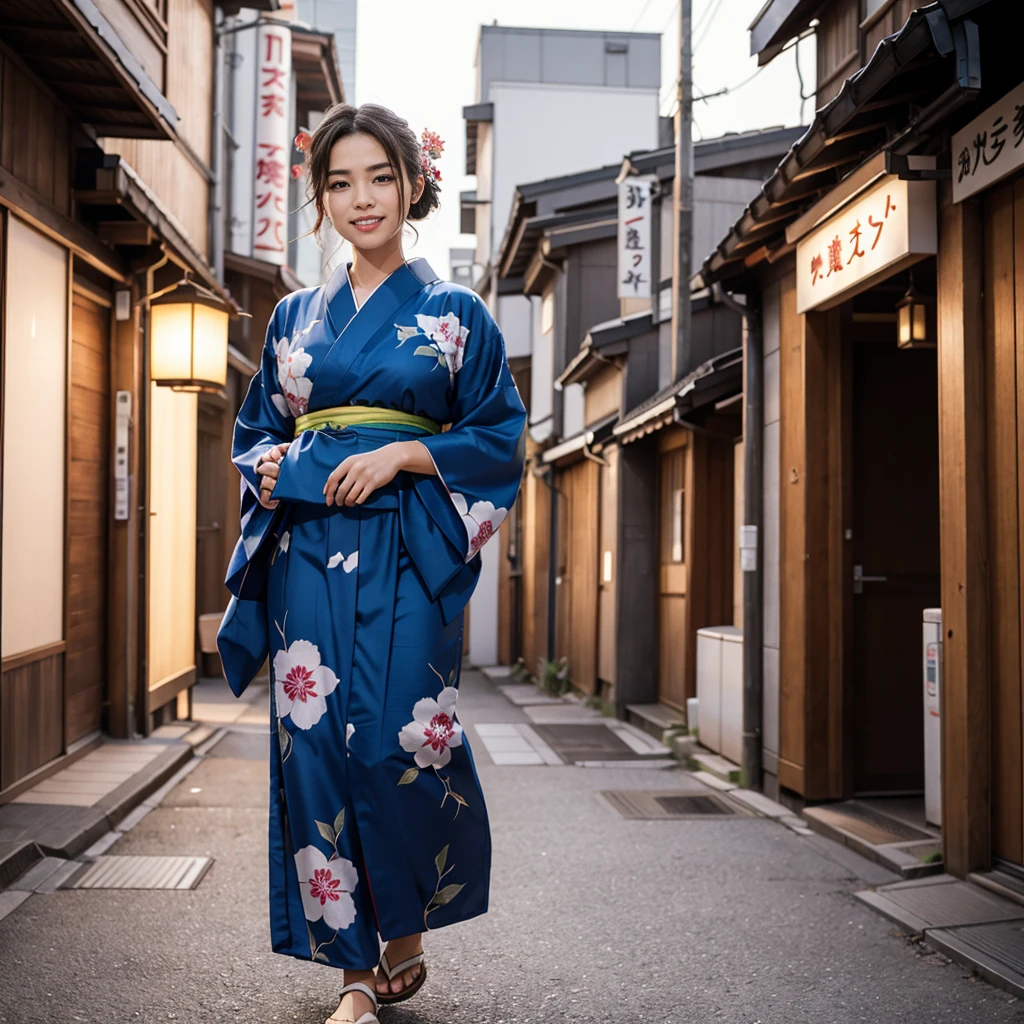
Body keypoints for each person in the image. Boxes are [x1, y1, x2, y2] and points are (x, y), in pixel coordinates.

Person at [216, 103, 527, 1024]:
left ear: (412, 183)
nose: (362, 199)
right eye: (340, 182)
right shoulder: (291, 319)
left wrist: (402, 454)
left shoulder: (456, 314)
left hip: (406, 544)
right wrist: (267, 468)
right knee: (313, 743)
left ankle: (406, 934)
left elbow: (498, 436)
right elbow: (259, 430)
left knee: (398, 732)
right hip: (309, 547)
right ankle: (352, 971)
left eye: (379, 177)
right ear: (321, 199)